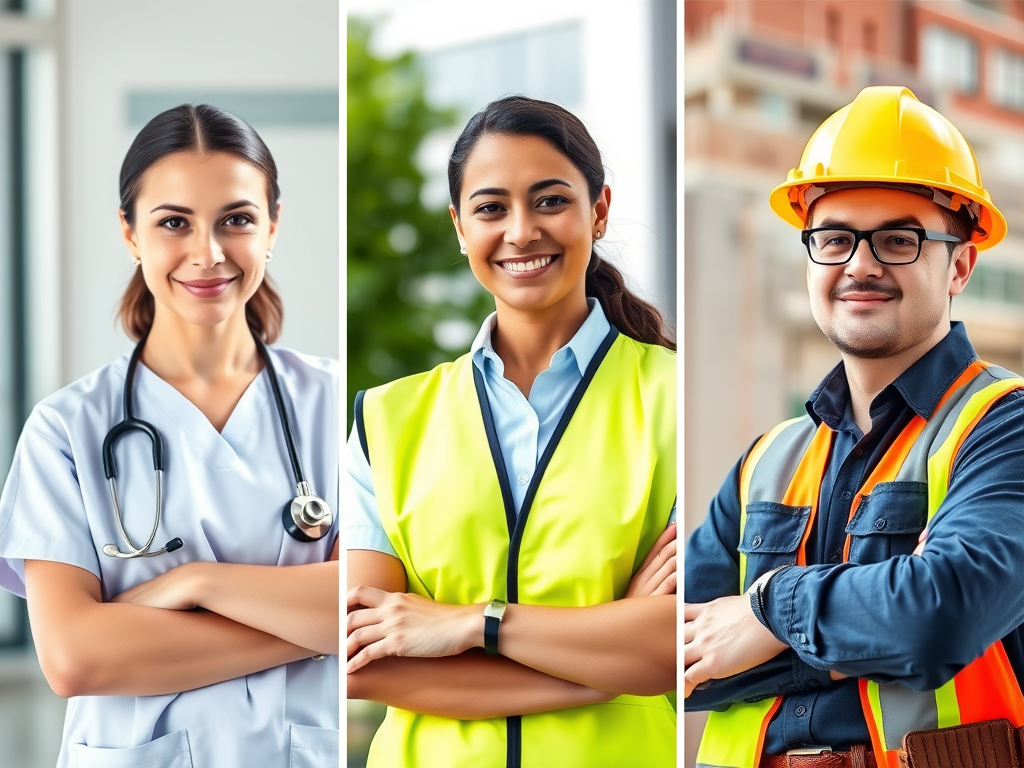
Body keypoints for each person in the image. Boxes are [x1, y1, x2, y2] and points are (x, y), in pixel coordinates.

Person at [684, 85, 1024, 768]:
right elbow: (672, 652)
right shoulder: (768, 461)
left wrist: (767, 611)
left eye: (899, 239)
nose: (860, 264)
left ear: (959, 263)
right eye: (835, 238)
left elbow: (939, 618)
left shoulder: (1003, 427)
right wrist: (867, 630)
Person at [0, 104, 339, 768]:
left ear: (273, 226)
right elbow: (75, 659)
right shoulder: (67, 430)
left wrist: (196, 582)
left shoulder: (334, 406)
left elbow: (367, 608)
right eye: (174, 223)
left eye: (236, 220)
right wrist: (312, 628)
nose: (207, 253)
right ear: (130, 233)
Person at [346, 96, 677, 768]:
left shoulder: (676, 399)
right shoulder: (385, 419)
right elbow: (363, 663)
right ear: (459, 228)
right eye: (491, 208)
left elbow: (674, 645)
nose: (521, 231)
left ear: (600, 210)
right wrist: (605, 664)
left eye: (550, 200)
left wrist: (469, 624)